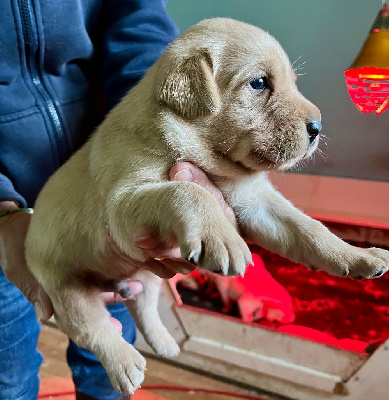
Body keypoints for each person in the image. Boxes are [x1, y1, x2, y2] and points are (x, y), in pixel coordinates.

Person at [0, 1, 237, 399]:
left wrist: (162, 141)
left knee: (114, 363)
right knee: (8, 378)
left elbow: (136, 22)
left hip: (100, 206)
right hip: (8, 218)